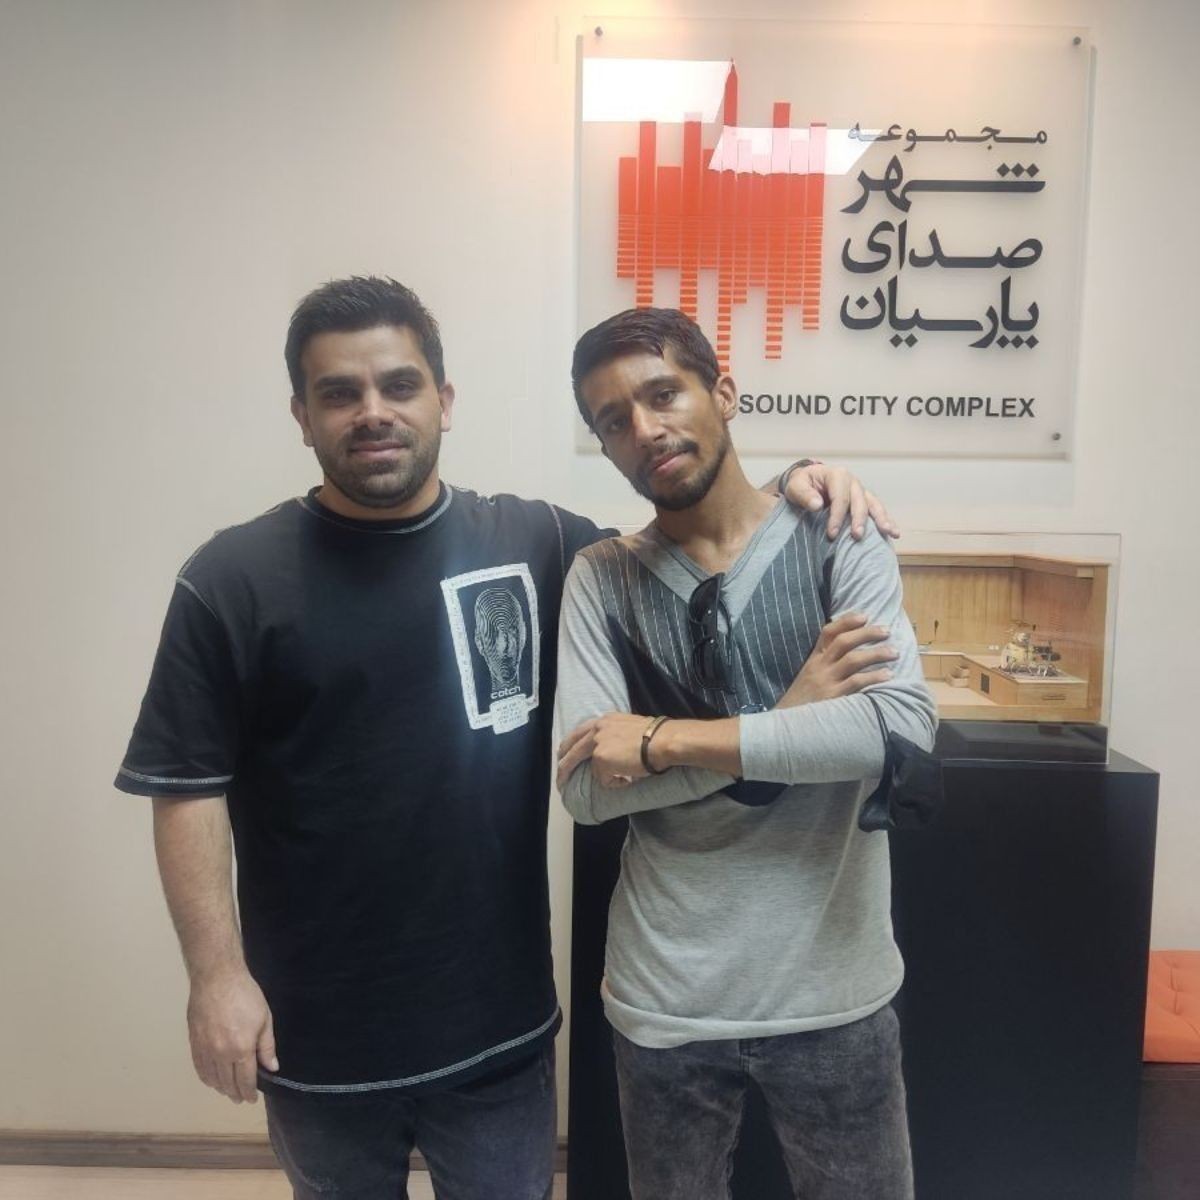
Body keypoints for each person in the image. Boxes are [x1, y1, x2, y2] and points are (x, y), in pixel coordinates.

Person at [114, 276, 897, 1200]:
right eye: (340, 393)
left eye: (400, 385)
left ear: (443, 400)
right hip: (315, 1030)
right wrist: (216, 978)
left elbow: (690, 532)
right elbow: (187, 787)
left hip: (498, 1031)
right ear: (302, 415)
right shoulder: (231, 579)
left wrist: (796, 484)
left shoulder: (538, 544)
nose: (373, 412)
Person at [555, 307, 937, 1200]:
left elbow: (896, 731)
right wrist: (793, 725)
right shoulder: (601, 578)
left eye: (664, 394)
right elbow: (588, 790)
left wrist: (663, 740)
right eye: (615, 420)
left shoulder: (837, 531)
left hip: (834, 988)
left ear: (723, 393)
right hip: (666, 995)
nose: (645, 429)